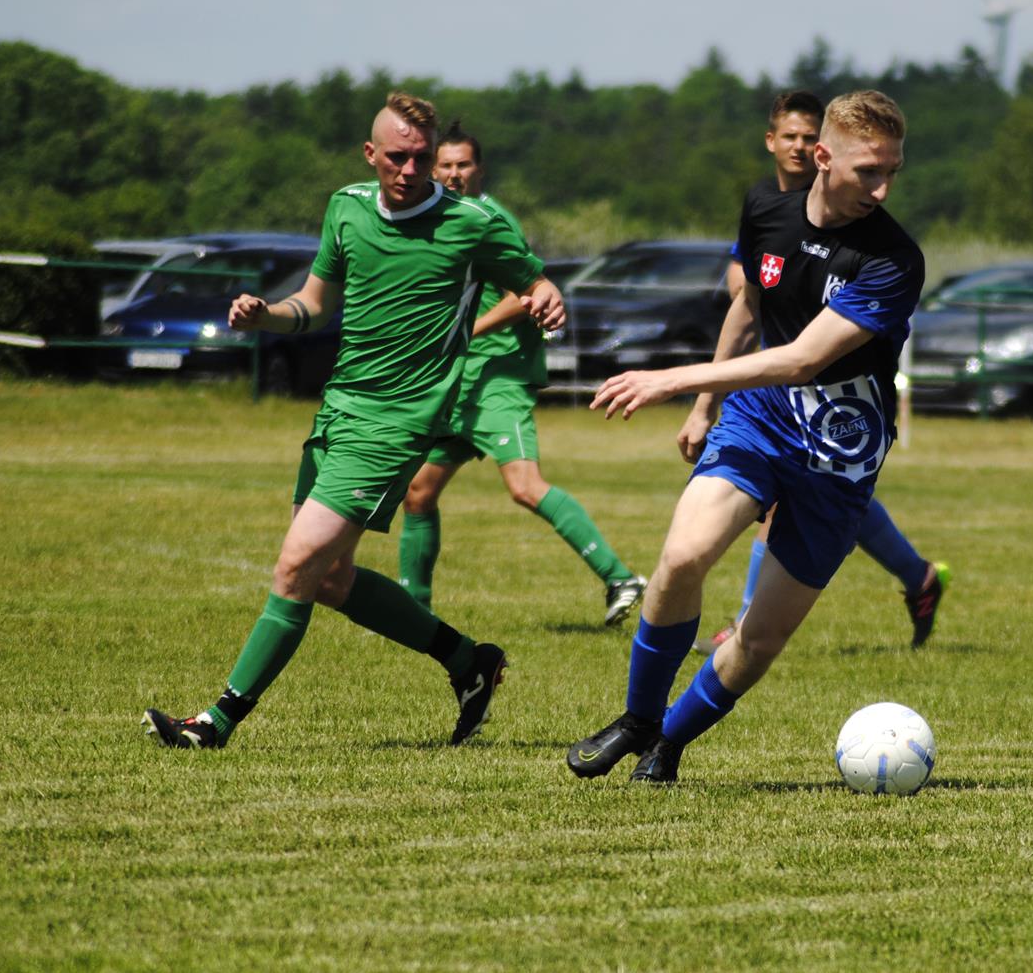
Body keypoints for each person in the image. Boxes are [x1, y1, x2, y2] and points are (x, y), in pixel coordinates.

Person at [143, 92, 564, 748]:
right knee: (333, 579)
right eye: (396, 156)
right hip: (339, 410)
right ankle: (467, 660)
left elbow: (534, 281)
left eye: (421, 158)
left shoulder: (472, 223)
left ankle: (215, 722)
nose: (410, 168)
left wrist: (547, 298)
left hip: (398, 423)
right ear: (371, 155)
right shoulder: (345, 208)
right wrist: (266, 316)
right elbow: (313, 304)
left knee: (296, 567)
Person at [566, 90, 925, 784]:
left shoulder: (894, 259)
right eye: (868, 171)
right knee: (681, 558)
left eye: (893, 173)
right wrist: (705, 404)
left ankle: (668, 744)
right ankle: (639, 716)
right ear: (822, 157)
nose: (883, 189)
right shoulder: (766, 211)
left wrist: (671, 378)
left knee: (760, 636)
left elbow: (803, 357)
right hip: (760, 415)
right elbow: (750, 309)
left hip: (839, 452)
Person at [693, 90, 948, 655]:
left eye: (810, 137)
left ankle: (744, 625)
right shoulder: (765, 206)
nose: (800, 147)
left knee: (810, 500)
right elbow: (747, 291)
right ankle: (917, 576)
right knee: (800, 501)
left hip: (834, 399)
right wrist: (705, 401)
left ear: (824, 151)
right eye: (791, 137)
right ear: (772, 142)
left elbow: (810, 346)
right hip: (770, 389)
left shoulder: (878, 242)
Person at [397, 123, 647, 625]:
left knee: (525, 486)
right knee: (418, 492)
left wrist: (469, 330)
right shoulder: (443, 219)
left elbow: (527, 291)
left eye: (462, 165)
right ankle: (414, 612)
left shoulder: (490, 218)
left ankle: (620, 577)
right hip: (459, 382)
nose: (453, 174)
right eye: (444, 165)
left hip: (499, 377)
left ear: (479, 169)